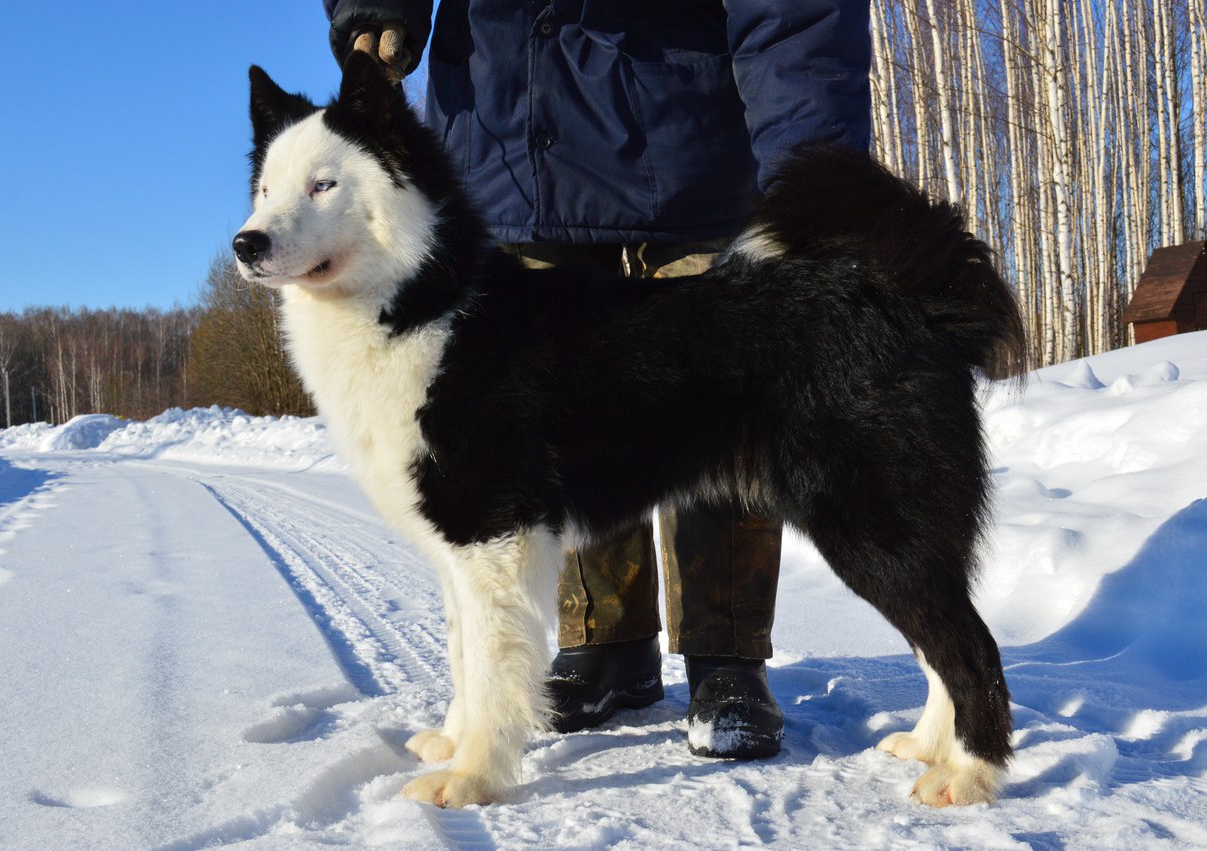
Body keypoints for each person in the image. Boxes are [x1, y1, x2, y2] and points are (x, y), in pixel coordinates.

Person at [320, 0, 871, 759]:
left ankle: (727, 656)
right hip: (504, 143)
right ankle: (605, 643)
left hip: (687, 143)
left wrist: (822, 184)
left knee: (721, 401)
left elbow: (794, 17)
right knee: (540, 426)